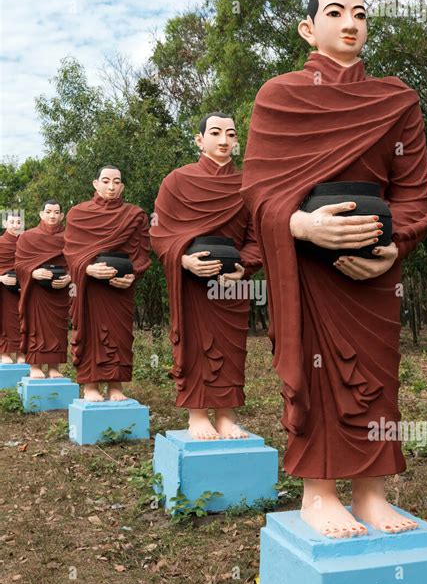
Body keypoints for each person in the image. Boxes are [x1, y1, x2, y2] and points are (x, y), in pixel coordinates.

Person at [240, 0, 427, 537]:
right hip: (306, 264)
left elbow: (415, 198)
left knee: (376, 379)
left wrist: (396, 247)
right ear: (308, 28)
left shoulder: (397, 99)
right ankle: (319, 492)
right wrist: (301, 224)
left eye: (360, 14)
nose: (349, 22)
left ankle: (373, 494)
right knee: (317, 374)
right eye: (334, 12)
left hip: (372, 266)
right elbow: (256, 193)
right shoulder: (279, 96)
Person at [150, 113, 261, 439]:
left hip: (231, 283)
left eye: (230, 134)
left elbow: (256, 239)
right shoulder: (177, 181)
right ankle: (197, 414)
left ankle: (226, 416)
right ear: (199, 140)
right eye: (215, 133)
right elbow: (159, 233)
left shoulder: (247, 186)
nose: (224, 140)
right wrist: (183, 259)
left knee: (231, 348)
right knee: (196, 346)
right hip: (192, 284)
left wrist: (246, 266)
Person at [64, 166, 151, 401]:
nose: (111, 187)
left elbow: (143, 253)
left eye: (116, 182)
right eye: (106, 181)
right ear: (95, 183)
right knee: (89, 333)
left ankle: (116, 385)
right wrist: (88, 268)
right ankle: (90, 385)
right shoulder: (77, 214)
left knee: (119, 336)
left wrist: (134, 274)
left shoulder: (135, 216)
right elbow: (71, 253)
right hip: (89, 288)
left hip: (120, 287)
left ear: (122, 186)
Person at [15, 201, 71, 378]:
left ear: (62, 215)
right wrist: (33, 272)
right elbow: (19, 264)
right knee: (36, 328)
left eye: (56, 212)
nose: (52, 215)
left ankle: (54, 367)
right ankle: (35, 366)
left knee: (58, 329)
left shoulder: (70, 237)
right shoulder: (28, 237)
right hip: (37, 292)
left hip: (59, 290)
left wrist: (70, 277)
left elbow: (76, 261)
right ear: (41, 214)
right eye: (48, 212)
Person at [0, 212, 25, 364]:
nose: (16, 225)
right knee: (5, 319)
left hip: (24, 288)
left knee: (24, 319)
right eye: (12, 222)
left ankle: (22, 351)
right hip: (3, 291)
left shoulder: (27, 243)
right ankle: (5, 352)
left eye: (18, 222)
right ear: (4, 223)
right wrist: (1, 278)